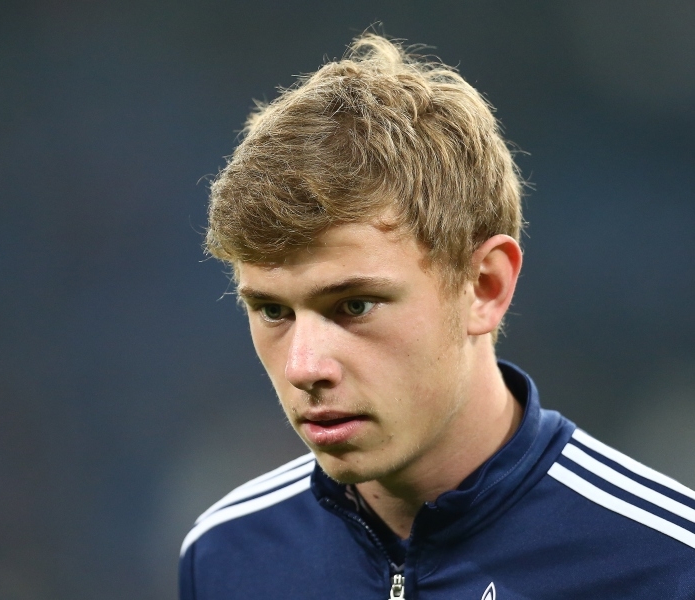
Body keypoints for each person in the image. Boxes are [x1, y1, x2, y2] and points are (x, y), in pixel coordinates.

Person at [178, 33, 695, 599]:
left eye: (354, 305)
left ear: (485, 287)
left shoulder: (668, 567)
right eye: (273, 310)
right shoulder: (226, 555)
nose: (304, 367)